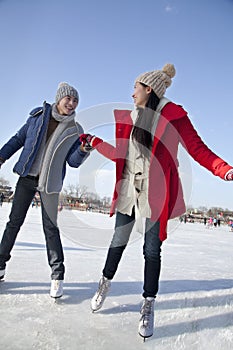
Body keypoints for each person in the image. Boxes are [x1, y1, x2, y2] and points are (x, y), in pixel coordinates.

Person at [80, 63, 233, 340]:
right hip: (129, 188)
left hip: (156, 191)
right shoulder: (129, 117)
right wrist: (94, 141)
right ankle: (105, 282)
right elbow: (120, 154)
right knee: (118, 241)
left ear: (148, 89)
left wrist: (223, 169)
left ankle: (148, 303)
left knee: (152, 250)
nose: (131, 94)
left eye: (135, 88)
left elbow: (197, 149)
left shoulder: (173, 116)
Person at [0, 82, 90, 298]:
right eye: (68, 98)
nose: (71, 103)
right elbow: (18, 139)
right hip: (26, 177)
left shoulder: (75, 130)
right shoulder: (38, 116)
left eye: (75, 100)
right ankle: (0, 265)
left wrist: (84, 149)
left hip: (49, 184)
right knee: (14, 223)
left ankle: (57, 275)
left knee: (50, 228)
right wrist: (2, 156)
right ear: (59, 98)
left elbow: (73, 161)